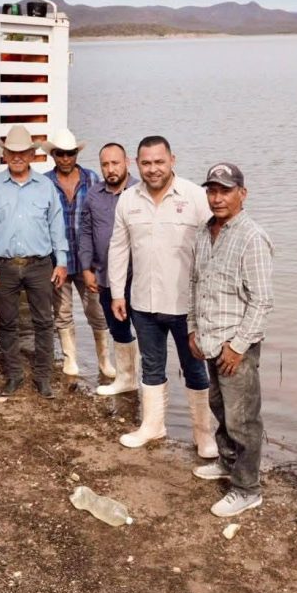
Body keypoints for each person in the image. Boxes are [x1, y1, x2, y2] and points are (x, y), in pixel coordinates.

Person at [107, 135, 216, 456]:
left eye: (159, 162)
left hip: (187, 306)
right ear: (136, 165)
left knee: (195, 369)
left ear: (172, 160)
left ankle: (203, 434)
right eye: (146, 163)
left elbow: (215, 248)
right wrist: (117, 293)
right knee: (151, 367)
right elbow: (118, 248)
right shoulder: (128, 200)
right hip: (143, 303)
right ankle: (153, 425)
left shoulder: (197, 197)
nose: (153, 169)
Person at [188, 163, 274, 518]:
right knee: (220, 408)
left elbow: (262, 300)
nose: (217, 197)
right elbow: (195, 285)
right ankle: (228, 463)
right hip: (208, 341)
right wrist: (192, 328)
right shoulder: (203, 234)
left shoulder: (252, 237)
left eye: (225, 190)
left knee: (243, 420)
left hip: (236, 347)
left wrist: (238, 346)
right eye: (212, 190)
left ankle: (247, 488)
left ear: (243, 193)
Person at [0, 124, 68, 398]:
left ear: (31, 154)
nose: (17, 156)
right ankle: (14, 374)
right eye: (11, 152)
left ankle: (43, 377)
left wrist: (60, 261)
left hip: (40, 264)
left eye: (22, 152)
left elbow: (56, 226)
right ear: (4, 154)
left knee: (44, 321)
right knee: (8, 322)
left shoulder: (46, 187)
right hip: (3, 264)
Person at [42, 129, 115, 379]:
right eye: (60, 154)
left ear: (76, 154)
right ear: (53, 155)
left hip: (88, 259)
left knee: (96, 311)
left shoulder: (93, 179)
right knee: (61, 312)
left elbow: (102, 218)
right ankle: (70, 358)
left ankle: (104, 360)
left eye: (70, 153)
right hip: (57, 260)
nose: (65, 158)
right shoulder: (44, 183)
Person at [79, 143, 141, 396]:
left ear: (127, 161)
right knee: (118, 328)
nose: (110, 169)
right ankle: (126, 378)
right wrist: (86, 268)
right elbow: (85, 233)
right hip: (105, 276)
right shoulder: (93, 195)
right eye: (105, 164)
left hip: (137, 277)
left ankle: (149, 380)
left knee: (147, 331)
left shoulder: (140, 190)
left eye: (115, 163)